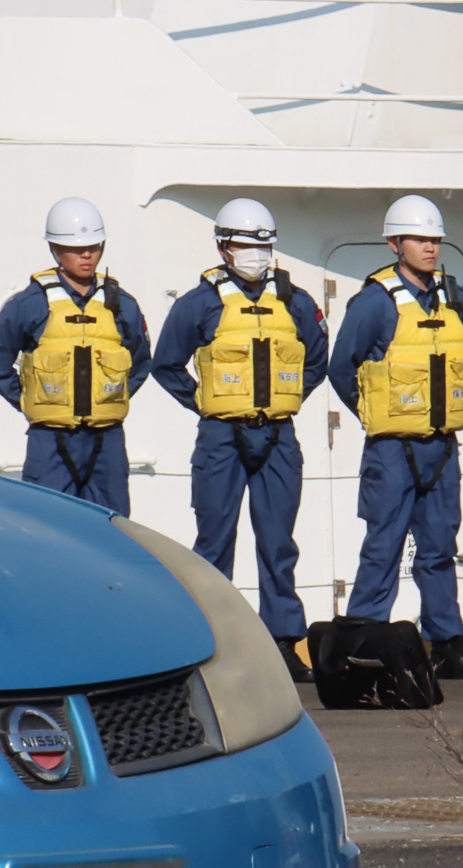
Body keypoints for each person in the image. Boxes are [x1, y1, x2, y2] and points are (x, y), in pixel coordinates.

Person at [153, 198, 328, 683]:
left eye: (264, 245)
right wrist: (203, 402)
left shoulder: (296, 301)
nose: (256, 254)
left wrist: (285, 399)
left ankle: (283, 644)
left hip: (278, 435)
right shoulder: (199, 303)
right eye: (246, 244)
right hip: (220, 436)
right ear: (224, 247)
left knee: (278, 543)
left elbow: (316, 360)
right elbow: (165, 363)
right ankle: (212, 645)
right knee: (214, 541)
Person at [328, 195, 463, 681]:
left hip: (441, 447)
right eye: (420, 240)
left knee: (440, 547)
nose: (430, 248)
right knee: (383, 546)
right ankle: (362, 642)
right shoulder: (374, 301)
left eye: (436, 240)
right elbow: (341, 368)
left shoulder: (453, 295)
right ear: (396, 243)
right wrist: (373, 414)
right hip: (392, 449)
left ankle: (448, 645)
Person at [0, 198, 152, 517]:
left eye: (93, 246)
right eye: (75, 248)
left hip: (107, 441)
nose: (86, 255)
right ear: (55, 249)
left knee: (112, 530)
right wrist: (31, 400)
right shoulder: (28, 305)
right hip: (50, 441)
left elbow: (141, 363)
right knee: (48, 528)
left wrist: (108, 398)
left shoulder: (123, 305)